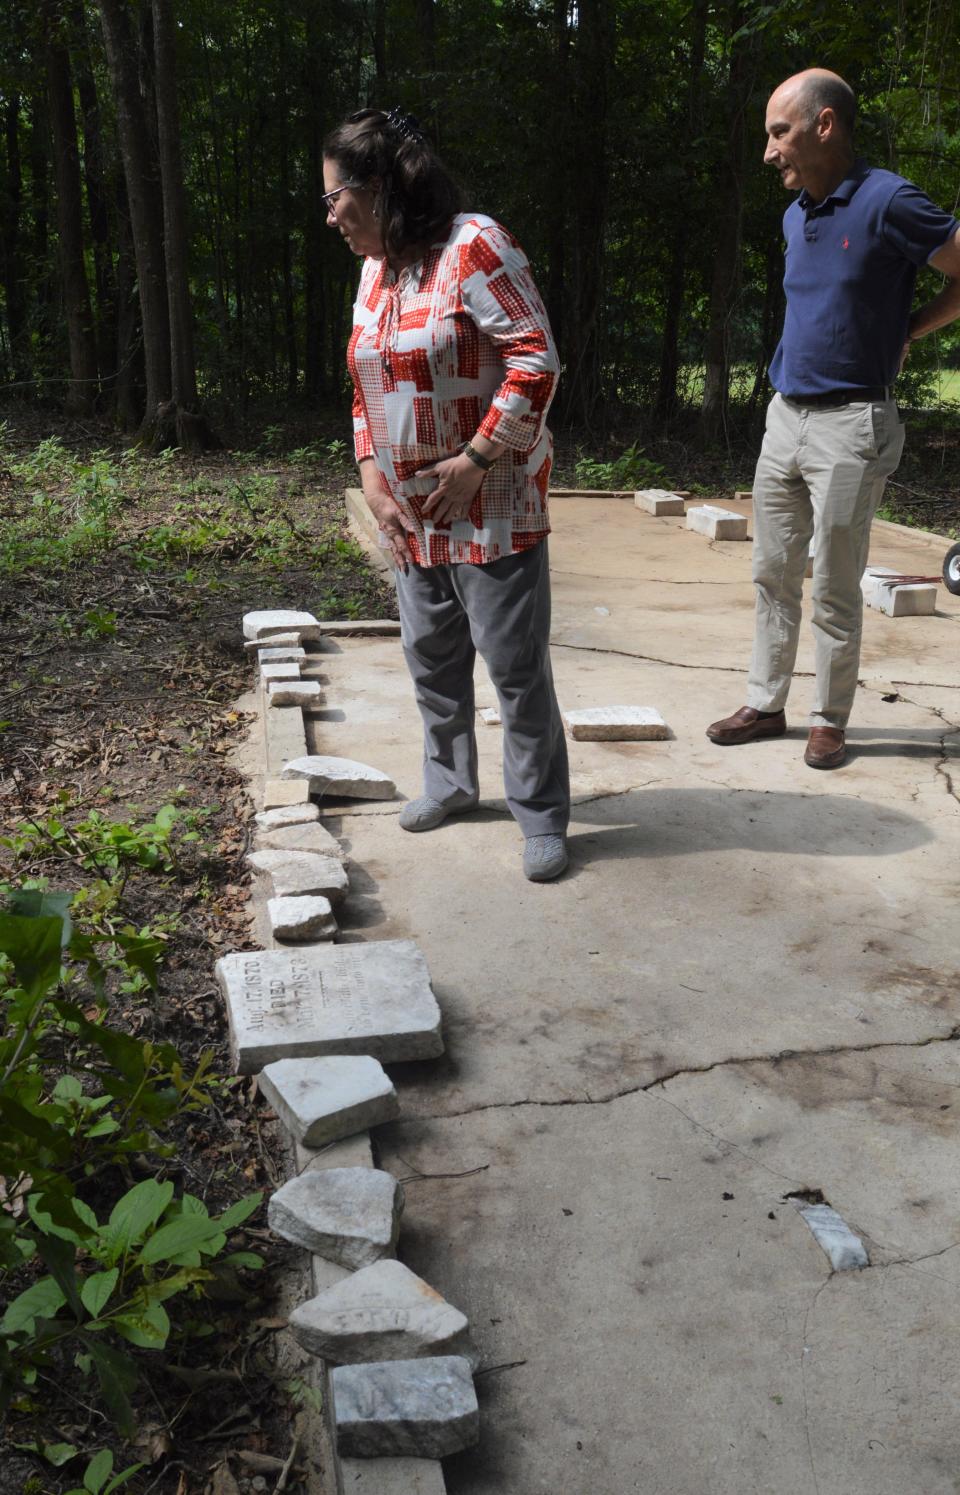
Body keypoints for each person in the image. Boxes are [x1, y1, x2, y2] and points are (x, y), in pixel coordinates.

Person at [322, 107, 570, 879]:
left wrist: (476, 458)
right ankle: (452, 783)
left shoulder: (475, 246)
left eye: (336, 197)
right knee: (429, 656)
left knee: (513, 664)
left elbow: (537, 360)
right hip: (411, 513)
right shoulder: (375, 268)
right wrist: (369, 470)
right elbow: (365, 385)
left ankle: (540, 813)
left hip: (489, 502)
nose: (330, 215)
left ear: (381, 189)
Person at [707, 68, 960, 769]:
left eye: (779, 132)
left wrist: (912, 330)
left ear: (825, 125)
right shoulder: (797, 214)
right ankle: (765, 702)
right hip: (785, 414)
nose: (768, 151)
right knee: (771, 570)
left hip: (853, 423)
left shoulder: (889, 201)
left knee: (836, 580)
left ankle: (829, 717)